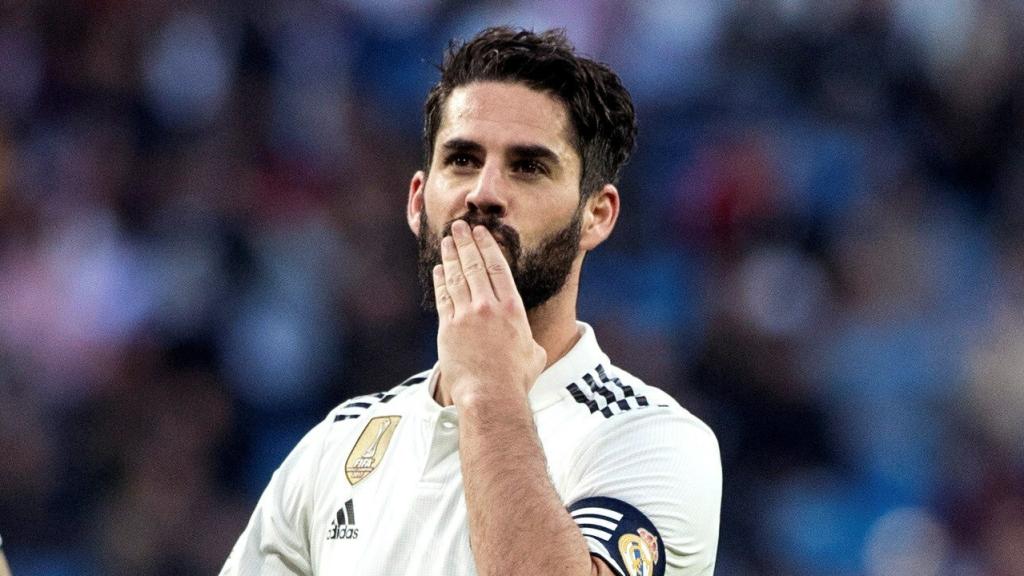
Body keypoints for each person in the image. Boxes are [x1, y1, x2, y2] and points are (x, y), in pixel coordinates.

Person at [220, 26, 721, 576]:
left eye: (528, 166)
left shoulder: (650, 439)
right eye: (461, 159)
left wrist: (488, 388)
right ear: (417, 201)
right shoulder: (336, 448)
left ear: (595, 215)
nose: (483, 192)